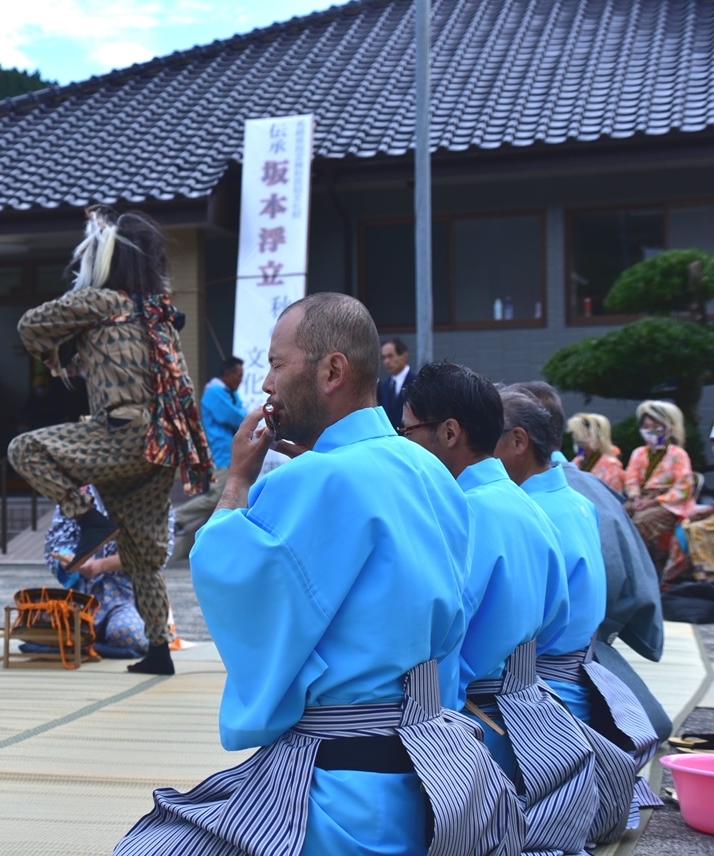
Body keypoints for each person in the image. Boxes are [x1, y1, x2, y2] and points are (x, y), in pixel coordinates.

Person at [117, 294, 521, 856]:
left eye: (278, 364)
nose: (265, 385)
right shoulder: (428, 468)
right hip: (441, 774)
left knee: (149, 847)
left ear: (332, 370)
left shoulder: (313, 479)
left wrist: (237, 481)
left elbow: (230, 578)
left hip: (344, 789)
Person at [8, 206, 213, 677]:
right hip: (161, 447)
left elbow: (30, 325)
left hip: (122, 435)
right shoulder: (160, 317)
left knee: (25, 449)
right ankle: (159, 650)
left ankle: (90, 521)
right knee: (143, 560)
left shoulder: (101, 302)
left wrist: (55, 351)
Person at [402, 363, 595, 854]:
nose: (401, 445)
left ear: (449, 433)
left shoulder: (467, 510)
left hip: (478, 728)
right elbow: (559, 617)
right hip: (532, 713)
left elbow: (443, 648)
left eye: (406, 431)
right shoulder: (526, 500)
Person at [496, 387, 658, 843]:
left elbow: (504, 632)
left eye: (488, 436)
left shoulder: (526, 512)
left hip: (540, 701)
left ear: (517, 441)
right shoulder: (576, 501)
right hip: (577, 683)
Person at [45, 486, 175, 658]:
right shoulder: (78, 493)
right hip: (83, 595)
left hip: (129, 594)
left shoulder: (151, 493)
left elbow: (156, 554)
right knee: (41, 630)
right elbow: (56, 544)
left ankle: (148, 637)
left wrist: (102, 565)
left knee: (126, 633)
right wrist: (72, 561)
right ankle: (92, 640)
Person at [174, 357, 244, 537]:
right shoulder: (214, 393)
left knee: (225, 498)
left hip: (231, 454)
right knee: (217, 497)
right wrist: (243, 417)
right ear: (228, 374)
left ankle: (193, 525)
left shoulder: (229, 393)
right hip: (222, 455)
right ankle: (177, 517)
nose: (240, 380)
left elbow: (241, 415)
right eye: (238, 375)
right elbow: (236, 417)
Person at [625, 400, 696, 571]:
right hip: (643, 498)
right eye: (646, 427)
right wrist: (635, 497)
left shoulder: (677, 454)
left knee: (641, 522)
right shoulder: (638, 453)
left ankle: (644, 568)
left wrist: (654, 501)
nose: (651, 431)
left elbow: (684, 487)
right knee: (620, 514)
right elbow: (631, 480)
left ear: (668, 427)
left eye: (655, 426)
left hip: (670, 504)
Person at [569, 412, 627, 493]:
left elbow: (613, 500)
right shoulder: (578, 461)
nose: (576, 438)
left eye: (579, 435)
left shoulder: (611, 466)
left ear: (594, 436)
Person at [377, 336, 417, 430]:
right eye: (384, 357)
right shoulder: (385, 387)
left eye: (390, 356)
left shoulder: (416, 383)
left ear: (404, 356)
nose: (386, 361)